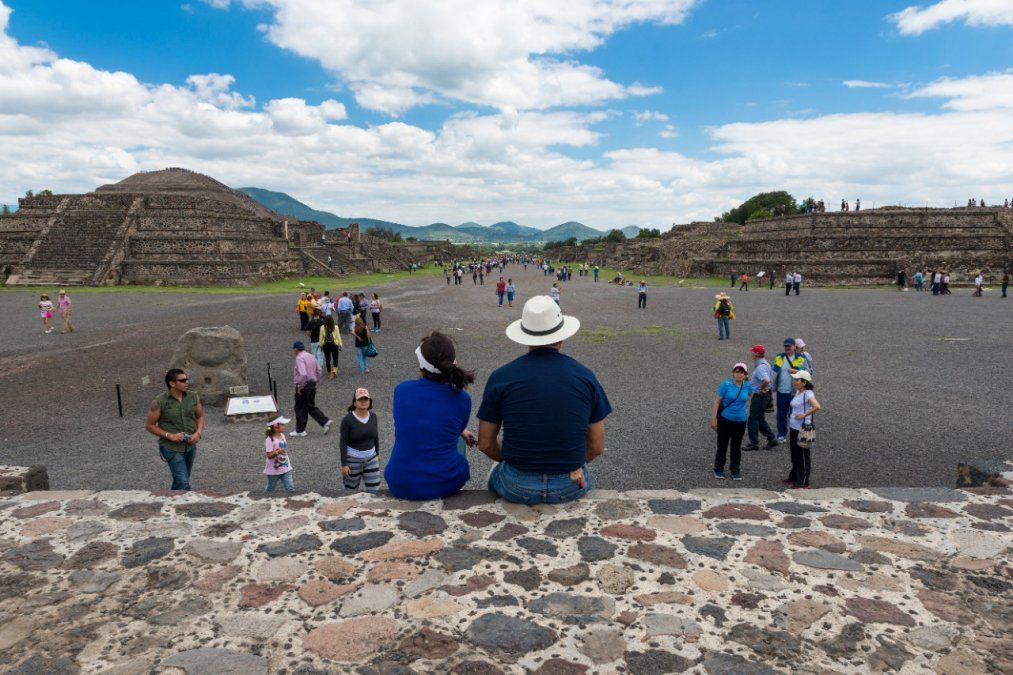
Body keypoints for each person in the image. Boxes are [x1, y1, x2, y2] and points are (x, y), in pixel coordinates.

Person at [478, 296, 611, 504]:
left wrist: (514, 460)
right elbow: (597, 445)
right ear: (561, 336)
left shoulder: (501, 377)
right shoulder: (585, 377)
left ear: (525, 336)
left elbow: (485, 443)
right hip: (569, 485)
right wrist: (569, 464)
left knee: (497, 471)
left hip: (516, 486)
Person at [385, 332, 477, 499]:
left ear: (420, 365)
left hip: (400, 481)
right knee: (456, 440)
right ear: (453, 362)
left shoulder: (402, 390)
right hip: (446, 482)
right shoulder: (463, 399)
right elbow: (453, 424)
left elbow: (423, 415)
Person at [145, 368, 204, 490]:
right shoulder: (159, 402)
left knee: (182, 480)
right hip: (171, 448)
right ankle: (186, 506)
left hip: (190, 446)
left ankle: (171, 499)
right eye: (182, 380)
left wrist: (198, 433)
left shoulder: (193, 397)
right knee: (183, 482)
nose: (186, 382)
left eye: (186, 379)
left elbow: (200, 416)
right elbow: (149, 426)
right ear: (172, 383)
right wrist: (170, 435)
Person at [711, 363, 752, 480]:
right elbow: (717, 401)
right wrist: (714, 418)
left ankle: (735, 470)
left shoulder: (747, 386)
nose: (739, 374)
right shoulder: (726, 384)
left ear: (745, 375)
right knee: (722, 445)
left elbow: (749, 396)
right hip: (725, 419)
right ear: (733, 373)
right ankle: (718, 468)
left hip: (741, 421)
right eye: (737, 371)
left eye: (742, 372)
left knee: (736, 446)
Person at [339, 388, 382, 493]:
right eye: (360, 399)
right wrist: (344, 464)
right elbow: (343, 442)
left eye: (366, 399)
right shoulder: (347, 420)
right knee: (351, 490)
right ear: (355, 402)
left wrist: (377, 453)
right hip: (353, 460)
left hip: (371, 458)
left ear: (369, 402)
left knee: (375, 490)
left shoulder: (373, 417)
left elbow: (375, 436)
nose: (363, 402)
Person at [785, 370, 821, 489]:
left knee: (803, 455)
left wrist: (804, 415)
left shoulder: (808, 394)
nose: (794, 381)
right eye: (794, 379)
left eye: (797, 380)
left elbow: (817, 406)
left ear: (804, 382)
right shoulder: (798, 392)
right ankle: (795, 477)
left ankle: (804, 482)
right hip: (794, 427)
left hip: (803, 428)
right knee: (795, 454)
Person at [291, 341, 331, 437]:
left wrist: (300, 386)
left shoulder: (299, 358)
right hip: (312, 384)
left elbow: (303, 373)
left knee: (300, 407)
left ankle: (300, 430)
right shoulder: (311, 356)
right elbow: (319, 370)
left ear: (296, 349)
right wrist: (315, 380)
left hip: (303, 385)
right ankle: (324, 421)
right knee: (309, 405)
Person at [743, 345, 778, 452]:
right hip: (765, 396)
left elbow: (766, 380)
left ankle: (754, 443)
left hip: (760, 396)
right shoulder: (765, 363)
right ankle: (771, 438)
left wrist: (760, 388)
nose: (752, 353)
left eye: (753, 352)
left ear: (757, 354)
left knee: (752, 420)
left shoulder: (760, 367)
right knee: (760, 419)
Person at [772, 338, 807, 442]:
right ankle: (781, 434)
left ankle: (794, 435)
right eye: (785, 346)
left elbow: (806, 373)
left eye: (789, 346)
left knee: (795, 414)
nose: (787, 348)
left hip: (795, 392)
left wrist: (795, 371)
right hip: (781, 391)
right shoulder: (779, 357)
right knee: (781, 414)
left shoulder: (800, 358)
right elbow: (773, 372)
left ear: (794, 347)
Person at [264, 415, 295, 492]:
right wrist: (277, 452)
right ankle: (265, 499)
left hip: (285, 467)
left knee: (290, 488)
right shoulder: (269, 440)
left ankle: (291, 501)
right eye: (283, 424)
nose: (285, 426)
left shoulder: (282, 436)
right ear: (275, 427)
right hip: (274, 470)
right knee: (270, 489)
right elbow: (269, 456)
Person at [319, 315, 343, 379]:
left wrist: (321, 345)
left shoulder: (322, 327)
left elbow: (321, 337)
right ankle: (335, 370)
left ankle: (329, 374)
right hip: (334, 344)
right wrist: (340, 345)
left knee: (327, 359)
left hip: (326, 345)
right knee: (335, 358)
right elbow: (338, 337)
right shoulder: (336, 327)